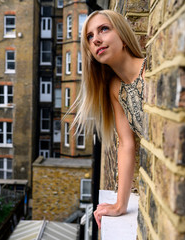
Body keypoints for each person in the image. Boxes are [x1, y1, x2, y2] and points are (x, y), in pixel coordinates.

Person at [70, 10, 146, 229]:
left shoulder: (150, 71)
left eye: (104, 29)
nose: (97, 39)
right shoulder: (116, 88)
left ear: (122, 36)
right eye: (90, 37)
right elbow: (126, 144)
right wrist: (119, 205)